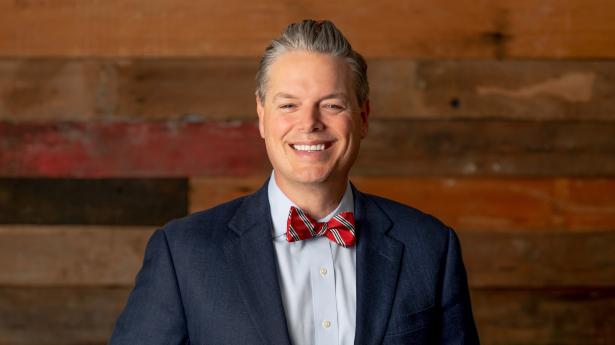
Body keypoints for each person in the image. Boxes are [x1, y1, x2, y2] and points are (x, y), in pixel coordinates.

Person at [109, 19, 479, 345]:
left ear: (363, 117)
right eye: (289, 105)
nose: (310, 123)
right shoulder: (184, 254)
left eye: (332, 105)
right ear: (261, 116)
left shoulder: (430, 248)